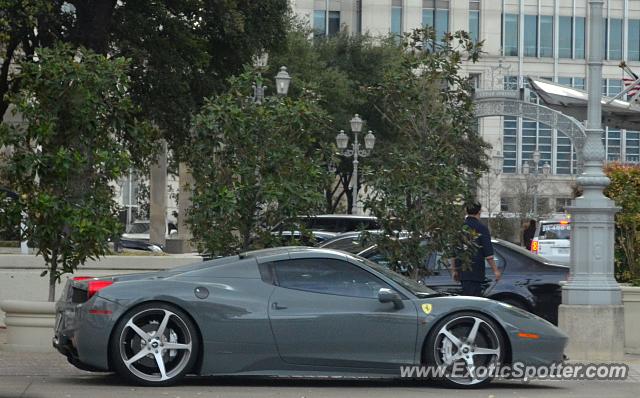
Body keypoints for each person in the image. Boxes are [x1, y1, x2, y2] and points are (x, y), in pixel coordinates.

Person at [451, 202, 502, 296]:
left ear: (466, 211)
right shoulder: (481, 228)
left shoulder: (460, 228)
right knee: (473, 299)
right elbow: (488, 252)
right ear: (479, 212)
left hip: (461, 270)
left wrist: (454, 270)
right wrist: (495, 270)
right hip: (476, 270)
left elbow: (454, 250)